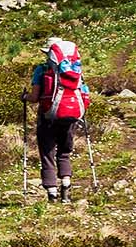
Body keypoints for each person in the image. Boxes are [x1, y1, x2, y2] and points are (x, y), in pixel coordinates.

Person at [27, 37, 90, 202]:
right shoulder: (74, 69)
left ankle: (52, 193)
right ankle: (66, 187)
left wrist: (25, 96)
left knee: (47, 152)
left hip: (48, 116)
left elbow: (34, 97)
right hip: (71, 115)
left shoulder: (41, 70)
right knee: (64, 152)